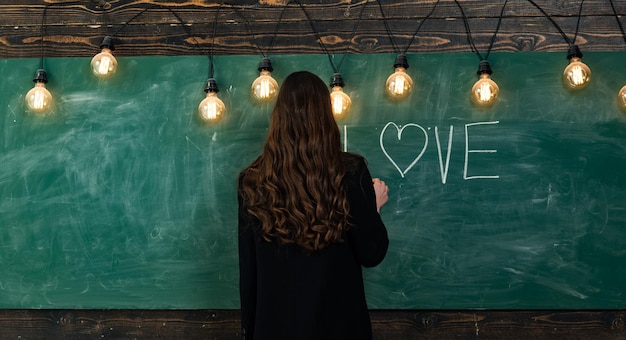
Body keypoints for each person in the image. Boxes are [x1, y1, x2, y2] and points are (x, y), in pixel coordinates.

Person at [237, 70, 389, 340]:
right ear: (325, 116)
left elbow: (249, 274)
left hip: (275, 330)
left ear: (279, 117)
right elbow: (371, 253)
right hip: (339, 329)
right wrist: (373, 207)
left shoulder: (252, 181)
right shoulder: (350, 172)